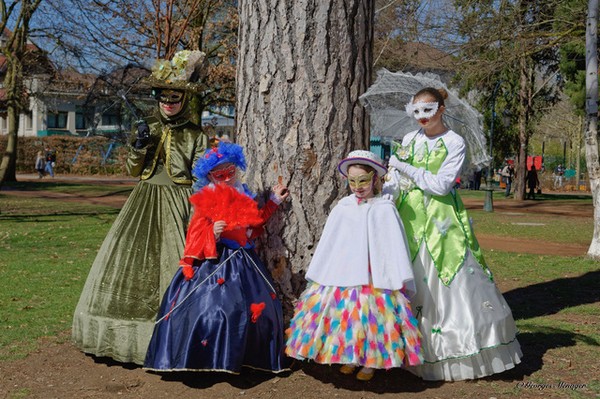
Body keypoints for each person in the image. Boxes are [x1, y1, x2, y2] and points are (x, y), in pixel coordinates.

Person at [72, 50, 209, 365]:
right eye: (163, 97)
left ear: (185, 99)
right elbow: (134, 171)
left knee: (176, 266)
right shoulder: (145, 125)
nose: (168, 102)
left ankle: (178, 337)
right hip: (143, 202)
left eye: (175, 97)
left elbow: (200, 174)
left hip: (180, 204)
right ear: (156, 97)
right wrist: (138, 146)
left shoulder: (195, 133)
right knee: (130, 264)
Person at [383, 87, 522, 381]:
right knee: (407, 280)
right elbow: (395, 179)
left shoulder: (454, 142)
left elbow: (441, 185)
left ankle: (449, 355)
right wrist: (386, 194)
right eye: (416, 111)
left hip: (441, 221)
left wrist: (404, 167)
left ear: (441, 109)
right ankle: (402, 349)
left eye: (428, 111)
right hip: (409, 219)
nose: (421, 118)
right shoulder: (410, 139)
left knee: (445, 282)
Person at [144, 142, 290, 373]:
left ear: (236, 169)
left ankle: (248, 357)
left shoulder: (243, 193)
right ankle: (208, 358)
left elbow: (255, 222)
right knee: (214, 309)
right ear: (210, 177)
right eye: (219, 174)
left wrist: (273, 201)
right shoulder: (206, 200)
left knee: (259, 307)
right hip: (216, 261)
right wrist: (212, 233)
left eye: (230, 172)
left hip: (246, 260)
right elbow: (194, 233)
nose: (226, 178)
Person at [285, 150, 422, 382]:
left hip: (374, 276)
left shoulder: (385, 209)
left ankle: (370, 362)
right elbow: (332, 242)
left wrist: (394, 272)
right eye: (352, 181)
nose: (357, 187)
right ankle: (350, 355)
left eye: (363, 181)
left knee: (372, 318)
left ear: (375, 179)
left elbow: (393, 245)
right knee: (347, 316)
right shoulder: (343, 207)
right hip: (344, 273)